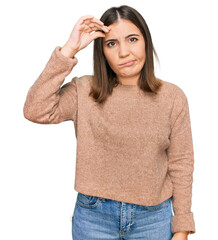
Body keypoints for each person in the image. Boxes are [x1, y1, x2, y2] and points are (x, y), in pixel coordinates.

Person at [23, 5, 196, 240]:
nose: (124, 52)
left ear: (146, 40)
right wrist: (69, 49)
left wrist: (182, 226)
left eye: (132, 39)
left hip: (153, 219)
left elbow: (181, 163)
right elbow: (35, 110)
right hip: (94, 218)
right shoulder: (84, 90)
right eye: (111, 43)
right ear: (101, 51)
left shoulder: (172, 97)